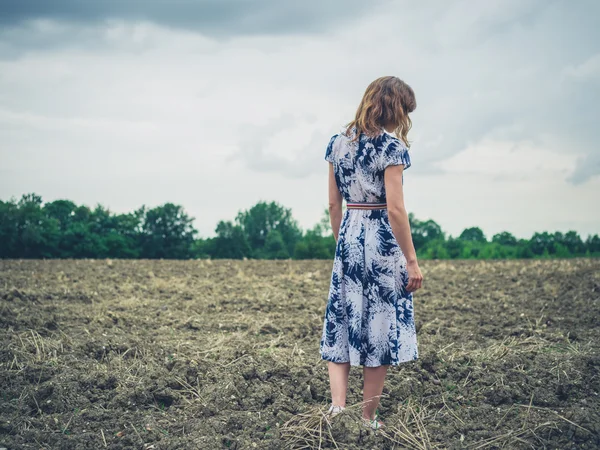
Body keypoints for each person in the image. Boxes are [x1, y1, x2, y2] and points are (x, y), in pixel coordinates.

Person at [319, 76, 423, 430]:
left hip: (349, 231)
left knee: (342, 321)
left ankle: (337, 410)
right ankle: (367, 418)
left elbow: (334, 204)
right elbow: (396, 210)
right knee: (378, 326)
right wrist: (411, 261)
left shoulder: (337, 144)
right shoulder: (391, 148)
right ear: (394, 108)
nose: (404, 117)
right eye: (404, 109)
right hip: (380, 236)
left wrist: (343, 244)